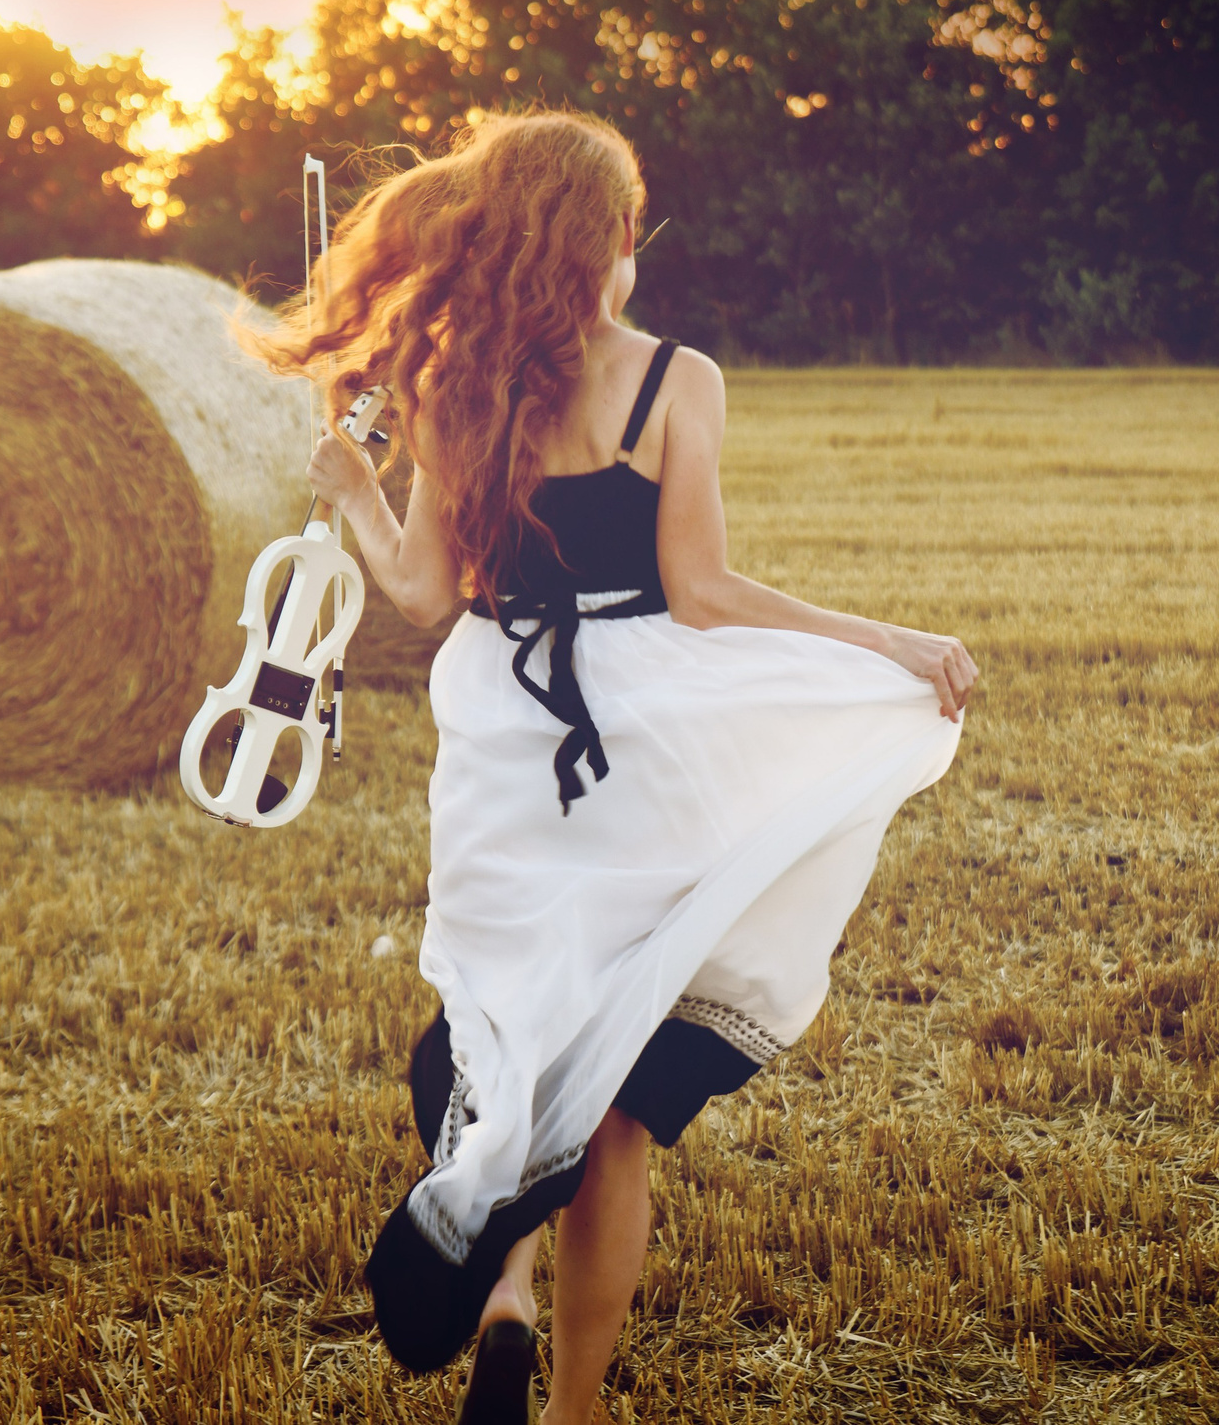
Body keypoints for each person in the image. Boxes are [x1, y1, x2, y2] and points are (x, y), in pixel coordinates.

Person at [245, 111, 972, 1424]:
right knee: (621, 1101)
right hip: (650, 743)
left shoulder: (447, 382)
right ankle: (574, 1404)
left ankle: (502, 1300)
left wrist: (353, 489)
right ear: (613, 241)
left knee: (510, 1030)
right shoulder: (674, 380)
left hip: (506, 736)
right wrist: (888, 641)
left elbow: (419, 594)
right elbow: (703, 593)